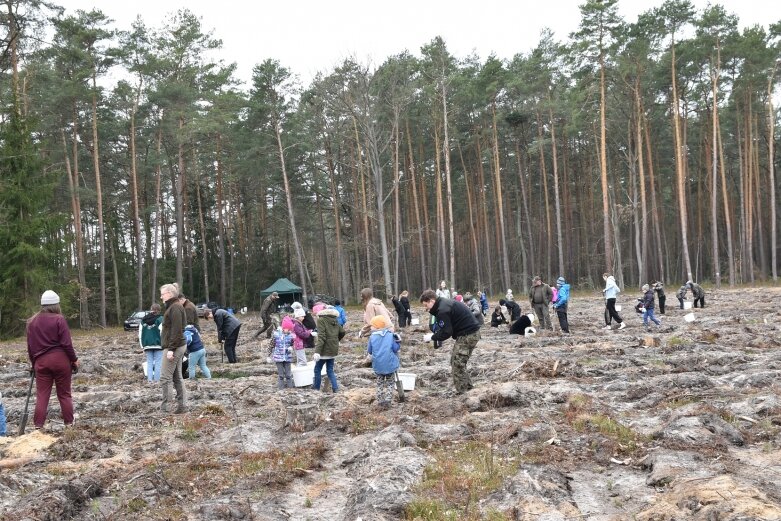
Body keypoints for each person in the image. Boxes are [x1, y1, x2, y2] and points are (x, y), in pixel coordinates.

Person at [26, 290, 80, 429]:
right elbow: (66, 344)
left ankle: (38, 426)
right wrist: (74, 360)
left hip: (41, 363)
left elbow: (31, 348)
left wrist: (34, 365)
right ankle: (69, 424)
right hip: (60, 361)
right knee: (64, 394)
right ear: (56, 305)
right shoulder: (59, 319)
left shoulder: (32, 322)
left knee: (42, 396)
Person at [420, 288, 481, 394]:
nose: (426, 309)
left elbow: (446, 332)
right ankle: (468, 388)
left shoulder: (442, 310)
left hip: (468, 334)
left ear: (432, 301)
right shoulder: (443, 304)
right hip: (469, 333)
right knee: (456, 361)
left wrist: (432, 337)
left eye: (426, 305)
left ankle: (463, 393)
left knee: (457, 363)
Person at [159, 284, 187, 414]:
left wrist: (171, 349)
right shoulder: (174, 306)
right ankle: (182, 406)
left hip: (174, 347)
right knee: (177, 377)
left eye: (163, 294)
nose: (161, 296)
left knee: (165, 377)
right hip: (176, 345)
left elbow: (177, 330)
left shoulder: (175, 307)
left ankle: (166, 408)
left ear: (170, 293)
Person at [367, 315, 401, 409]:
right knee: (390, 383)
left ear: (377, 326)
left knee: (380, 383)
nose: (371, 327)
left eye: (372, 325)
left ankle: (380, 401)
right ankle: (388, 400)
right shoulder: (390, 335)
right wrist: (398, 342)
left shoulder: (372, 337)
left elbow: (369, 351)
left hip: (378, 365)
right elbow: (395, 349)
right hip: (390, 364)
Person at [312, 306, 345, 392]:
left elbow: (322, 337)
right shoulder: (335, 320)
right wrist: (336, 340)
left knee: (317, 369)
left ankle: (316, 389)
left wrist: (317, 352)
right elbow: (342, 332)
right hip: (333, 349)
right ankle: (335, 388)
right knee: (330, 370)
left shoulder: (321, 320)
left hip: (324, 349)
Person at [139, 303, 164, 383]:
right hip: (158, 344)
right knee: (158, 363)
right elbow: (162, 332)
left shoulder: (143, 320)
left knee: (149, 363)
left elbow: (140, 333)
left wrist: (142, 345)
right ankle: (157, 381)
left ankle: (150, 380)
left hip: (147, 345)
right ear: (159, 310)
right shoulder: (160, 319)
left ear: (151, 309)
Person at [269, 318, 295, 389]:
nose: (289, 331)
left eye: (290, 329)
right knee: (281, 375)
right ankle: (281, 389)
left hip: (287, 357)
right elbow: (271, 345)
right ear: (284, 328)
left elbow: (293, 344)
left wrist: (291, 347)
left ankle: (290, 388)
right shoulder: (276, 335)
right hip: (278, 357)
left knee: (288, 375)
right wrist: (269, 355)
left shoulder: (291, 335)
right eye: (288, 329)